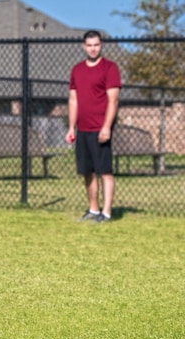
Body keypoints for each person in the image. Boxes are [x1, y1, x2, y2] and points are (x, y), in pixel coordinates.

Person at [65, 30, 121, 223]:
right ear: (83, 46)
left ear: (101, 45)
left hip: (100, 129)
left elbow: (113, 100)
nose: (93, 48)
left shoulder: (110, 68)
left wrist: (106, 127)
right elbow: (73, 100)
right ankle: (93, 210)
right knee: (87, 171)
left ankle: (106, 213)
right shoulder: (77, 70)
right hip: (83, 130)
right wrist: (71, 127)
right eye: (89, 45)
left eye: (96, 44)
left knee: (104, 171)